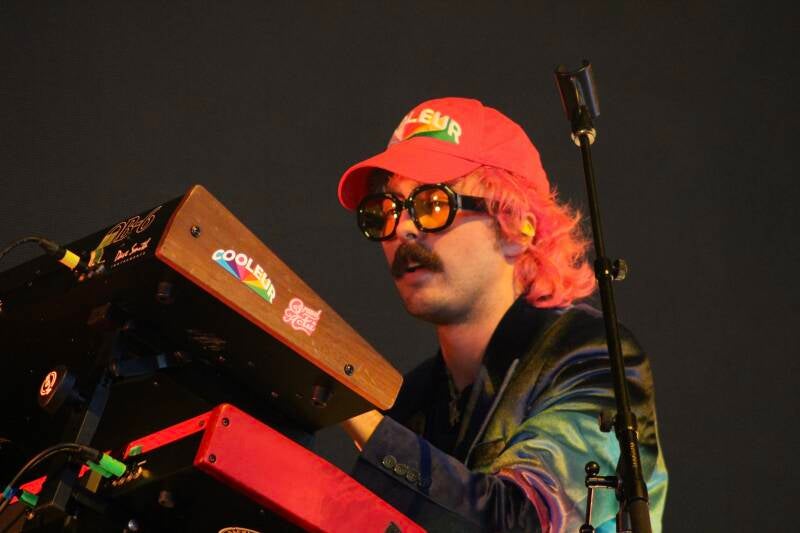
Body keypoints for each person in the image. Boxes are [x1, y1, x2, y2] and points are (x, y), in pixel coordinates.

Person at [336, 97, 667, 532]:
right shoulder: (413, 400)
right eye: (385, 211)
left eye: (432, 204)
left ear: (517, 225)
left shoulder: (592, 358)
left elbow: (522, 520)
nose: (402, 228)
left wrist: (341, 393)